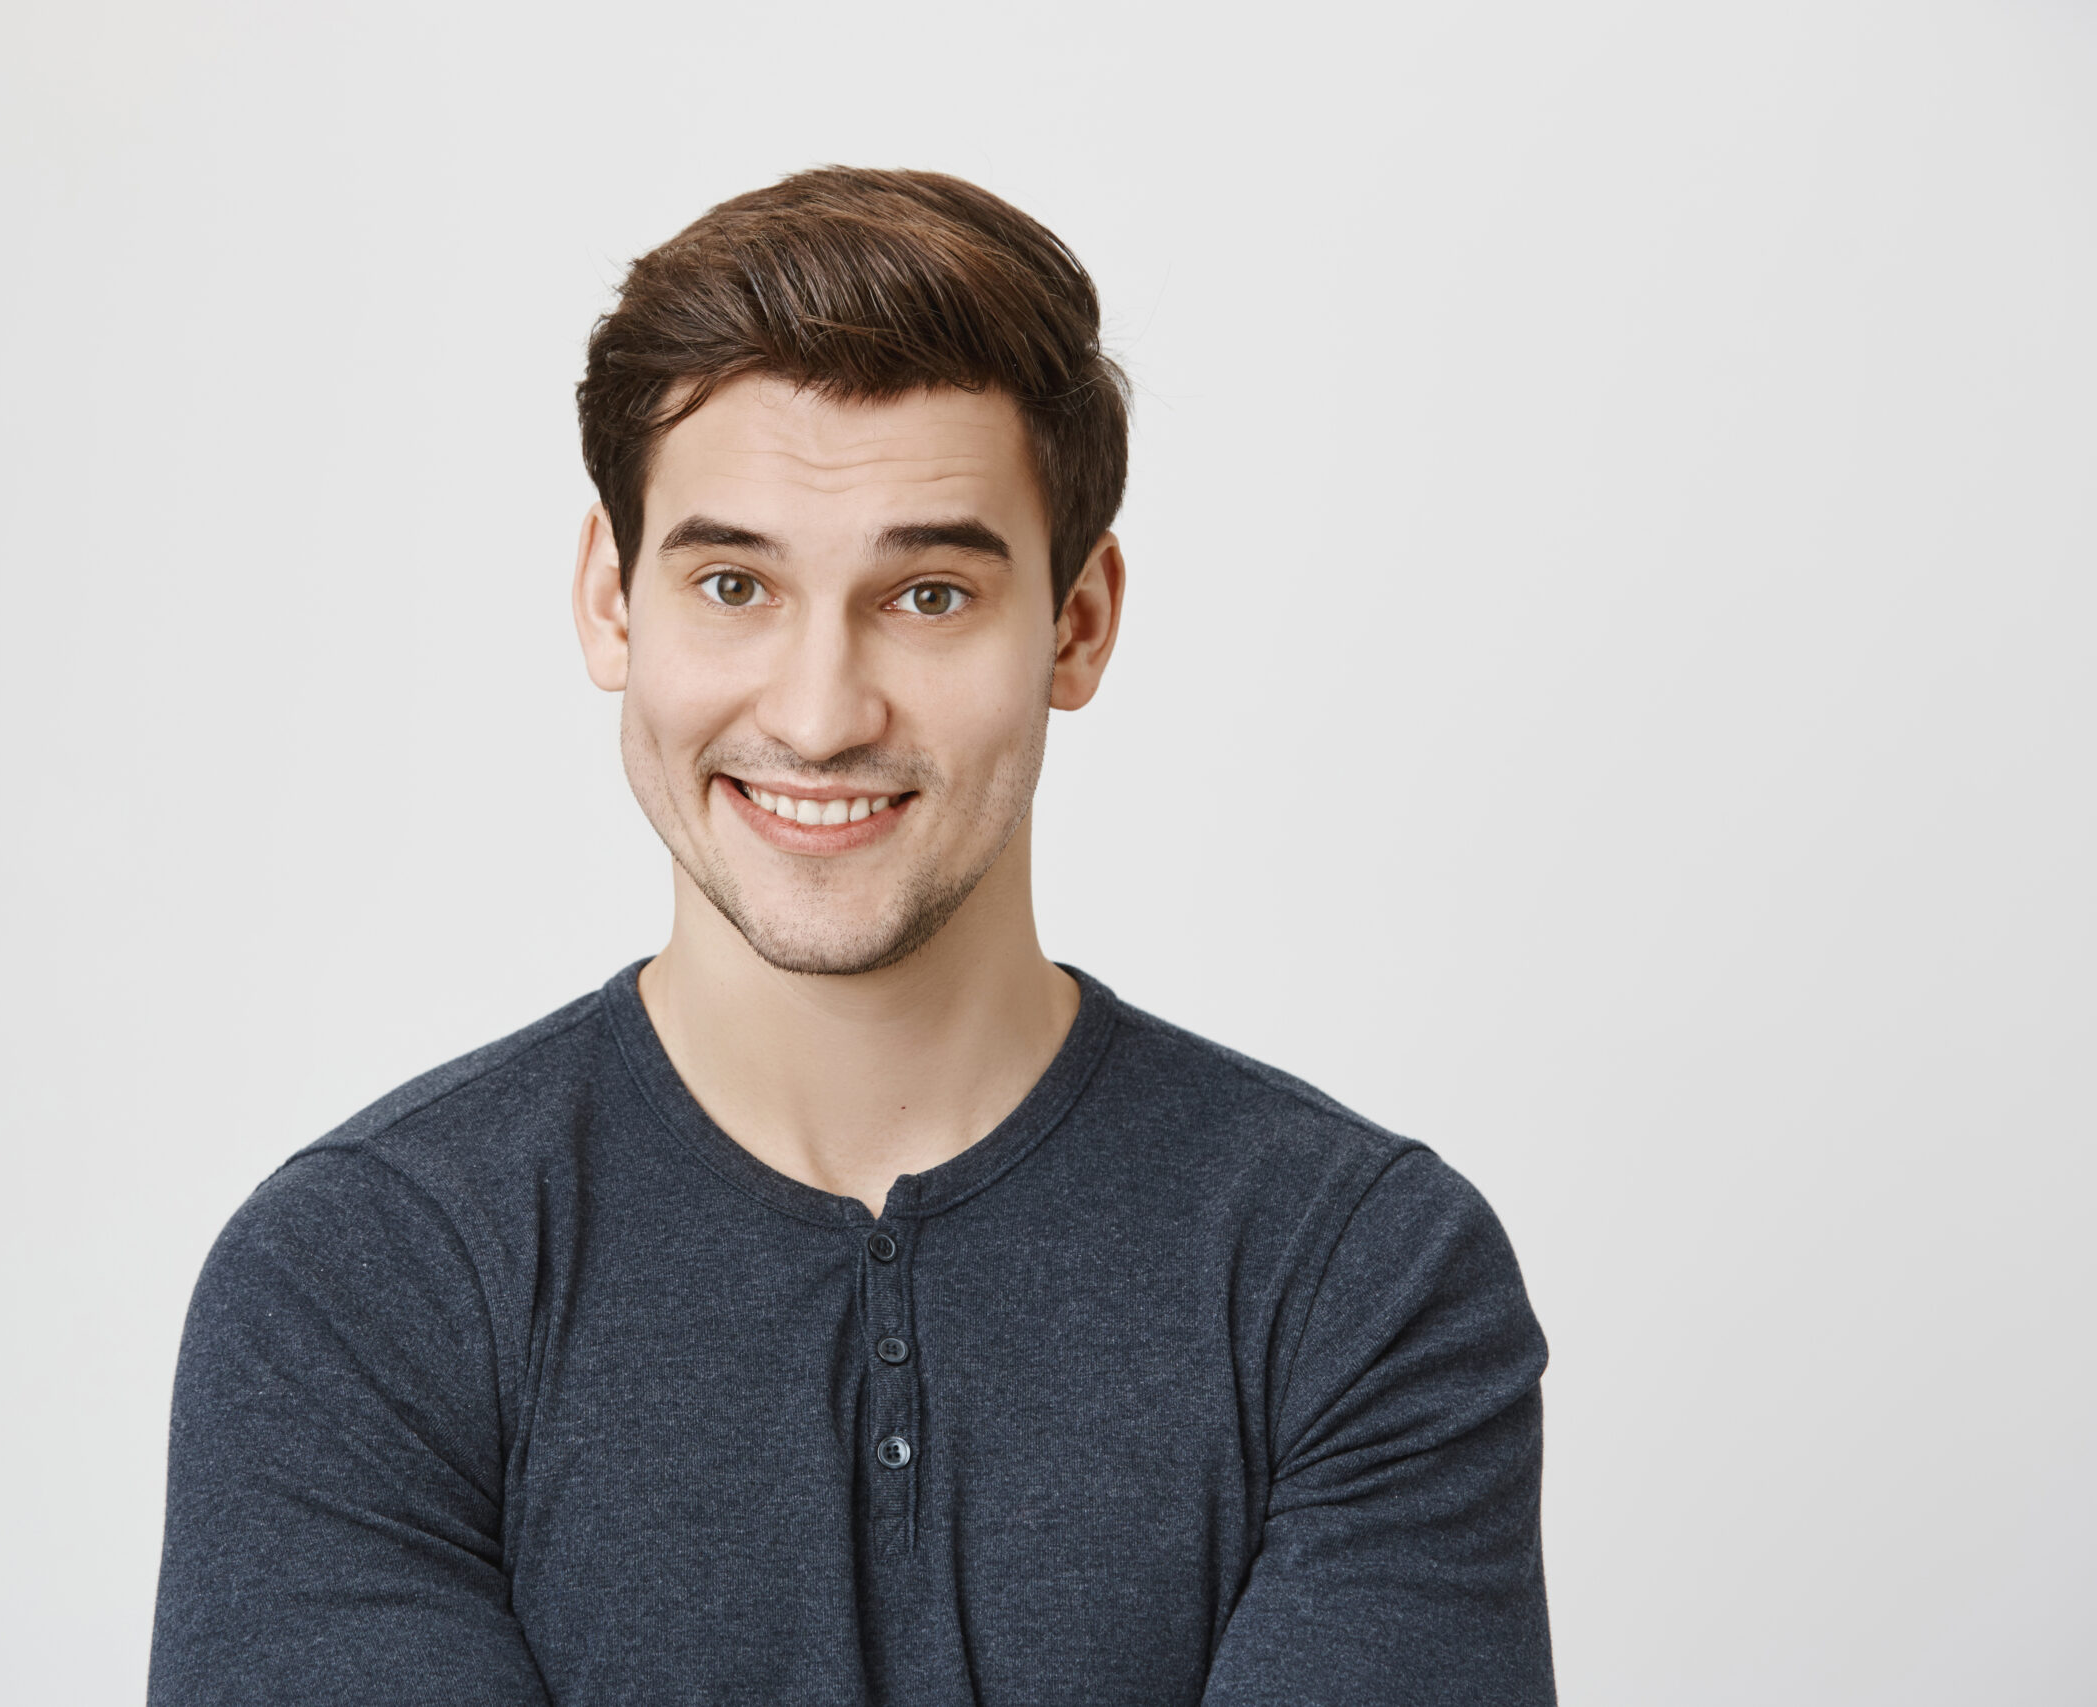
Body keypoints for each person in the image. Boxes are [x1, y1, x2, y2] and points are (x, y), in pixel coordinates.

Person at [147, 167, 1554, 1707]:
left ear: (1077, 624)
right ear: (613, 602)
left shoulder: (1354, 1279)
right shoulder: (363, 1285)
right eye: (735, 583)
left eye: (929, 594)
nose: (819, 714)